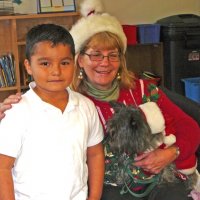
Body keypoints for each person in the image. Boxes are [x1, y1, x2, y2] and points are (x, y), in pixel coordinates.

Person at [0, 0, 200, 200]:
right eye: (95, 55)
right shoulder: (69, 98)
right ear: (80, 60)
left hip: (157, 180)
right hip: (110, 187)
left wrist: (171, 152)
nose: (105, 63)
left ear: (120, 60)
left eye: (112, 55)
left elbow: (191, 128)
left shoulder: (143, 90)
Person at [0, 23, 104, 200]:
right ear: (28, 66)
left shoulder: (86, 106)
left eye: (64, 62)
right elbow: (3, 167)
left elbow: (95, 154)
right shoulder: (17, 112)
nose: (56, 71)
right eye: (45, 63)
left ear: (74, 62)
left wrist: (94, 197)